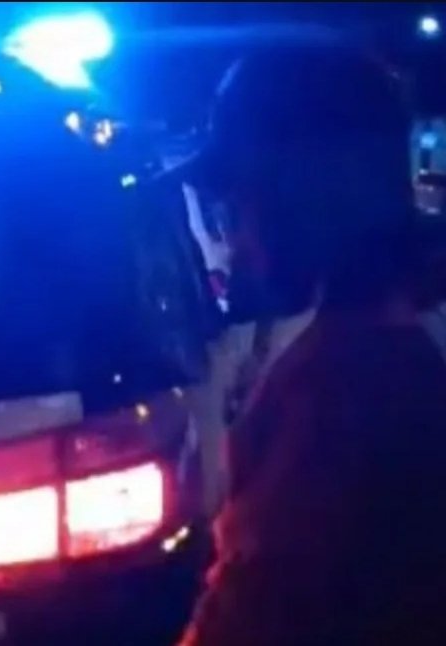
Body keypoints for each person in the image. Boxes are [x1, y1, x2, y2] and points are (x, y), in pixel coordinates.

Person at [176, 44, 446, 645]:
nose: (236, 243)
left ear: (296, 198)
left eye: (239, 208)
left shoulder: (341, 391)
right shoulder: (402, 335)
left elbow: (253, 614)